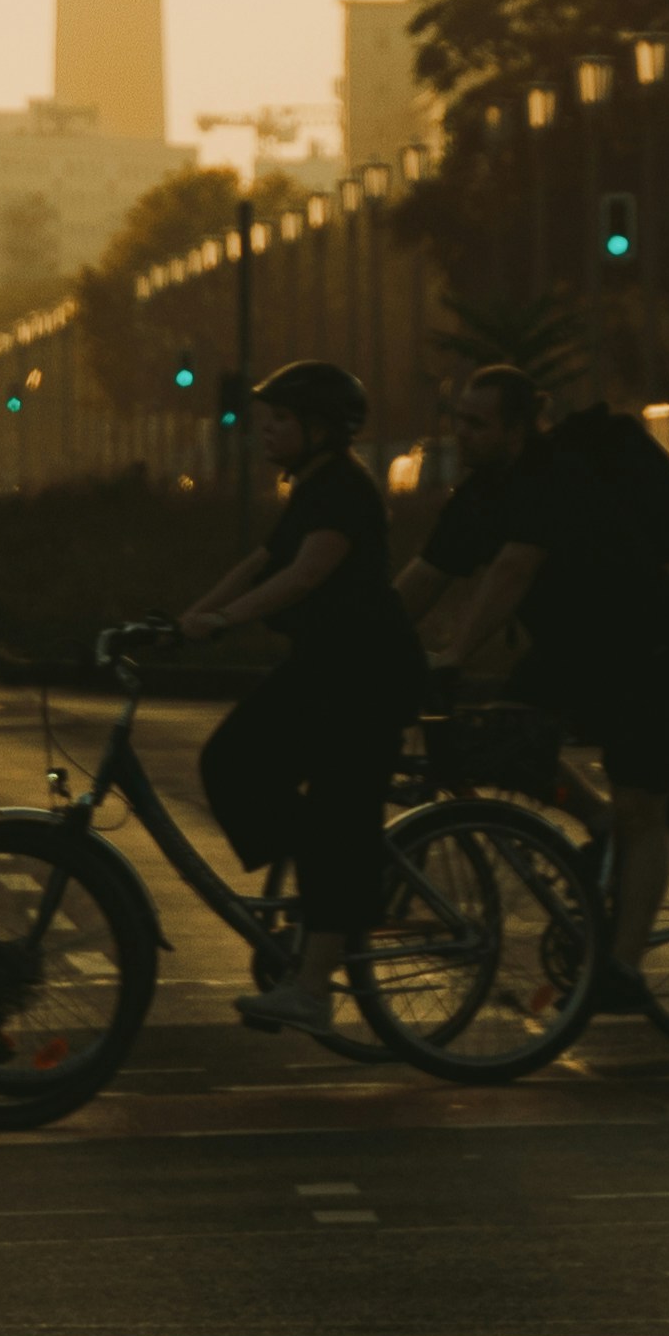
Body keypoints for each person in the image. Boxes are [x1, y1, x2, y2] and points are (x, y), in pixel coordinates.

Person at [417, 353, 669, 995]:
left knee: (641, 808)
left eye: (477, 424)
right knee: (502, 741)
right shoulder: (481, 493)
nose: (461, 433)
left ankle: (623, 968)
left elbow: (512, 570)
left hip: (652, 649)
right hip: (574, 651)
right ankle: (596, 821)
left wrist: (453, 653)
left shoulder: (554, 475)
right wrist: (363, 643)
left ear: (518, 430)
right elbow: (427, 575)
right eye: (458, 420)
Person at [178, 358, 424, 1041]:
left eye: (281, 419)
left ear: (320, 429)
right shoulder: (310, 487)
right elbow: (262, 562)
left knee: (334, 821)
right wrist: (183, 621)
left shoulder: (344, 489)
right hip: (324, 667)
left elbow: (307, 574)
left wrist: (224, 622)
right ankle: (331, 880)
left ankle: (314, 986)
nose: (266, 430)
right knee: (230, 762)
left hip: (367, 676)